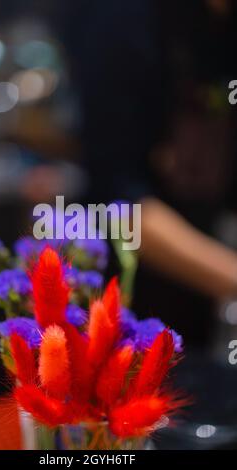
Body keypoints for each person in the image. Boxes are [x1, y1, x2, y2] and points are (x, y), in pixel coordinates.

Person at [56, 0, 237, 346]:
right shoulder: (121, 19)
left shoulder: (223, 28)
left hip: (203, 300)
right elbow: (119, 199)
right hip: (124, 301)